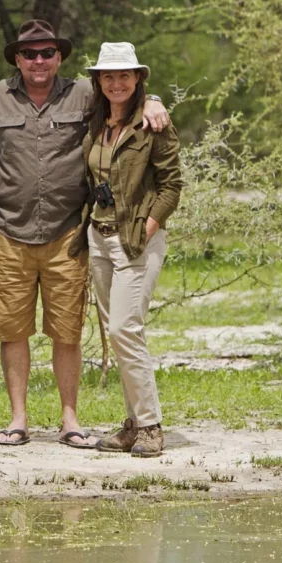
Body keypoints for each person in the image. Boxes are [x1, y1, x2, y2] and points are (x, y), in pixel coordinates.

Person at [0, 20, 170, 448]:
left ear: (60, 57)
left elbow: (127, 98)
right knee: (12, 329)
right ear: (17, 59)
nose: (39, 61)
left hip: (70, 233)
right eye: (30, 54)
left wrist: (154, 99)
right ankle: (18, 420)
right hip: (9, 229)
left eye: (47, 53)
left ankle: (70, 420)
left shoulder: (84, 94)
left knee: (67, 330)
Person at [81, 42, 182, 457]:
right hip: (99, 237)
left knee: (125, 329)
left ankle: (150, 426)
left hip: (135, 240)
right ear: (98, 80)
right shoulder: (95, 119)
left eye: (124, 75)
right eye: (108, 75)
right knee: (117, 333)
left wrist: (147, 227)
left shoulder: (153, 122)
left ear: (138, 77)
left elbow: (172, 185)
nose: (116, 82)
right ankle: (133, 424)